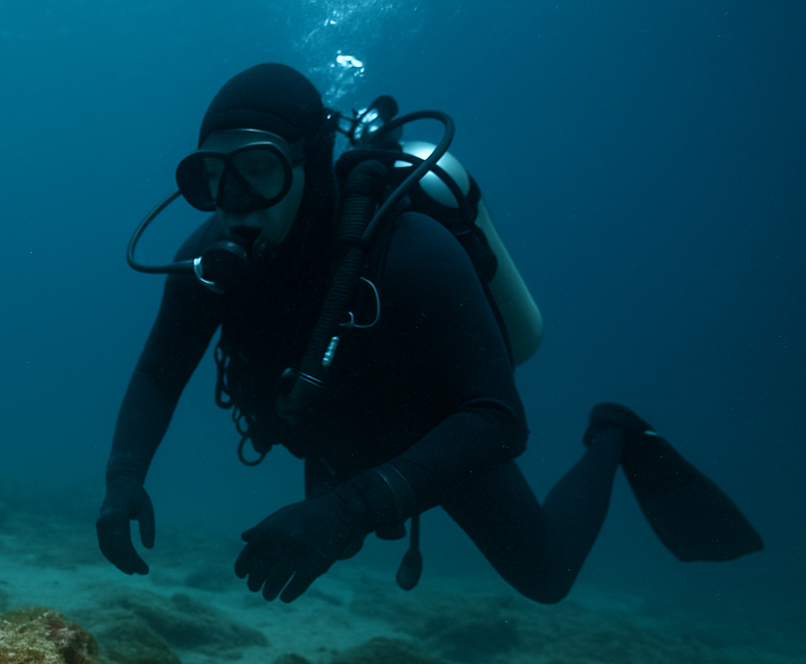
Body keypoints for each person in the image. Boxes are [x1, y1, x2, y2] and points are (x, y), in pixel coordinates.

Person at [96, 63, 761, 603]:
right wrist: (123, 478)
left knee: (548, 578)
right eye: (212, 176)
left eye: (258, 169)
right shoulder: (209, 259)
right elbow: (160, 370)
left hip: (435, 430)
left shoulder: (409, 252)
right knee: (339, 529)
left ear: (309, 162)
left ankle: (613, 431)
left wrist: (348, 510)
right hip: (331, 426)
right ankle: (353, 509)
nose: (232, 202)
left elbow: (499, 421)